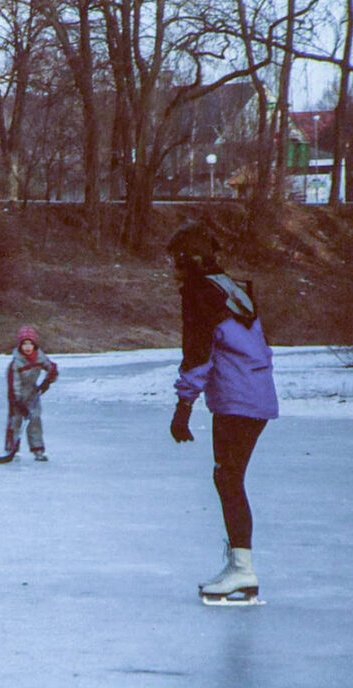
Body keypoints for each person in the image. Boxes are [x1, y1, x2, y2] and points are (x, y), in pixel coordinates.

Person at [167, 223, 278, 605]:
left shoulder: (200, 294)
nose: (173, 272)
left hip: (237, 400)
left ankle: (243, 571)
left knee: (228, 479)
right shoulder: (231, 289)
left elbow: (198, 354)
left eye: (176, 262)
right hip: (254, 394)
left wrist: (183, 408)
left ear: (187, 260)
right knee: (228, 478)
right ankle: (238, 566)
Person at [0, 325, 58, 464]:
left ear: (35, 345)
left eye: (30, 343)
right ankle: (12, 449)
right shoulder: (16, 363)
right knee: (16, 421)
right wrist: (19, 403)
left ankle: (38, 450)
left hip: (33, 393)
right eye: (24, 344)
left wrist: (47, 382)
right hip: (17, 395)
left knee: (35, 419)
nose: (27, 347)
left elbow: (52, 369)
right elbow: (13, 386)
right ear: (20, 345)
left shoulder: (40, 357)